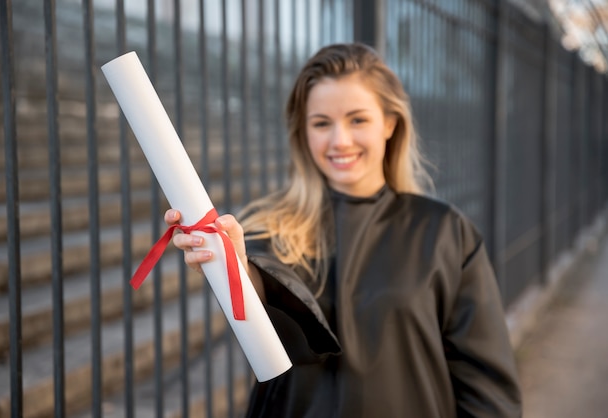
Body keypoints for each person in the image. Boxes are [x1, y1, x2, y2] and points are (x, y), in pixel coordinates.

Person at [165, 43, 522, 417]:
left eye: (357, 120)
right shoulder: (269, 231)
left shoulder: (445, 233)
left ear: (389, 122)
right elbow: (269, 298)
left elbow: (486, 387)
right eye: (322, 123)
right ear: (303, 132)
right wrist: (239, 273)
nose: (340, 141)